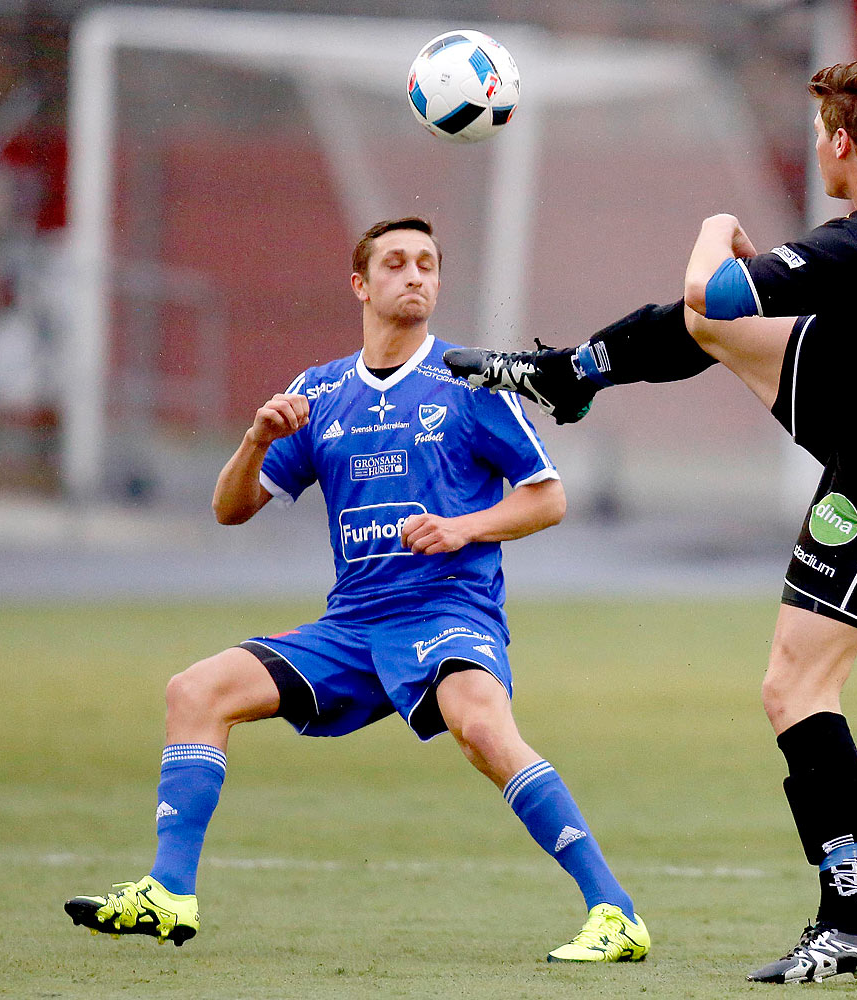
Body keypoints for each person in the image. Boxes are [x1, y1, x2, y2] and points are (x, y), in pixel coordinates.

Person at [445, 60, 857, 984]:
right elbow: (737, 315)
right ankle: (567, 376)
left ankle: (849, 921)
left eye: (816, 129)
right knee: (714, 332)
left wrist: (714, 231)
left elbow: (715, 288)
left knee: (794, 690)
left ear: (838, 142)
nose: (811, 144)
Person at [64, 217, 650, 964]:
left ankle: (614, 911)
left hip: (446, 611)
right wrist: (254, 441)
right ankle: (168, 893)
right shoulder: (319, 391)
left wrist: (463, 527)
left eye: (428, 265)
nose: (415, 276)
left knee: (480, 725)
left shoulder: (469, 382)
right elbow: (229, 508)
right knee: (195, 691)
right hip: (350, 627)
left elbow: (546, 498)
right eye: (396, 263)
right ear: (360, 284)